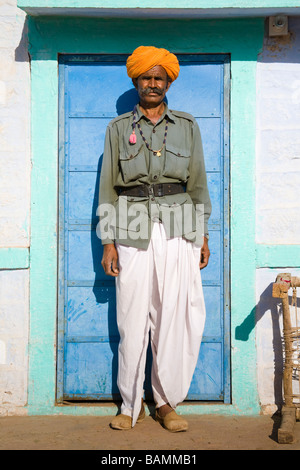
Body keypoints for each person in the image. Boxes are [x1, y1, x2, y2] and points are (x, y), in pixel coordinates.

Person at [98, 46, 211, 432]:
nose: (152, 83)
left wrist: (204, 234)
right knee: (132, 316)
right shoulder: (117, 129)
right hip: (130, 225)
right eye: (146, 77)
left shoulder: (187, 125)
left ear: (167, 83)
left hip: (180, 224)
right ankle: (131, 405)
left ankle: (165, 402)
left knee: (173, 316)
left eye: (159, 77)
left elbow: (197, 183)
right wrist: (108, 242)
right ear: (135, 81)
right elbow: (106, 190)